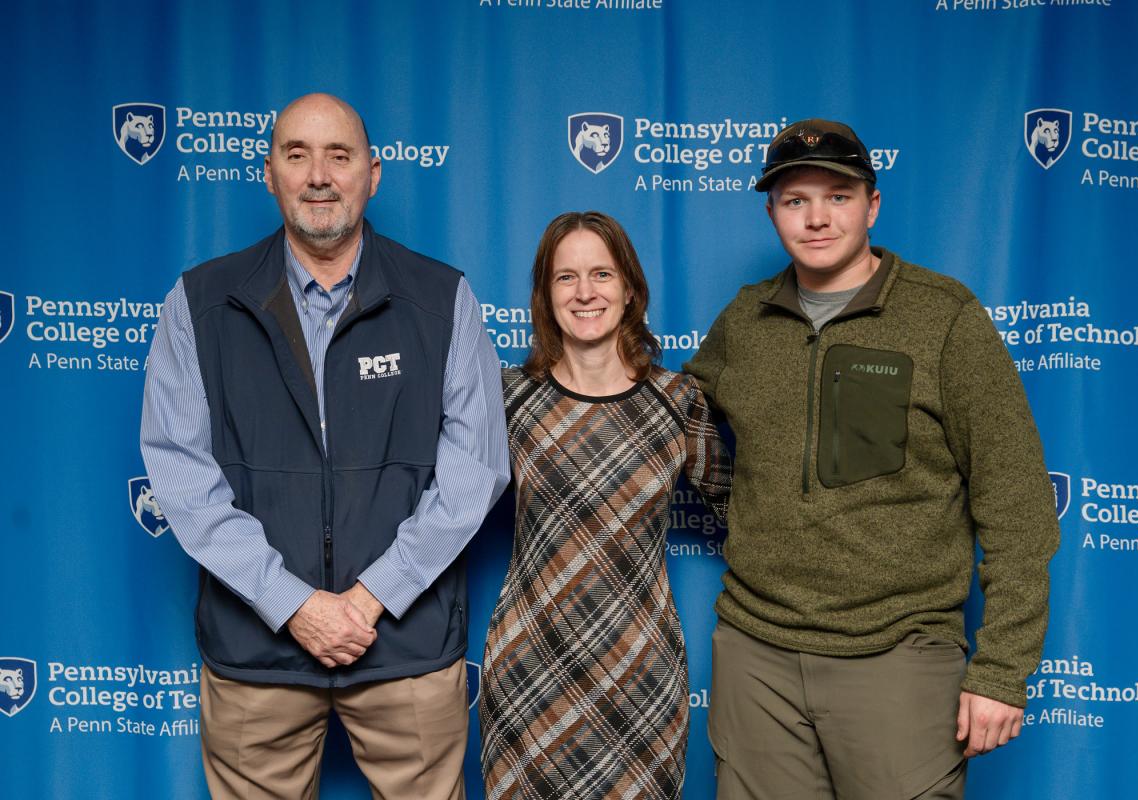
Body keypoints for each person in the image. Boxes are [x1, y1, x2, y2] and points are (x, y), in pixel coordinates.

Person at [140, 92, 509, 800]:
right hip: (258, 653)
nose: (318, 175)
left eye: (338, 156)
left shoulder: (442, 297)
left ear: (373, 173)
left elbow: (475, 469)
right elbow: (182, 473)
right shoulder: (200, 302)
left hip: (406, 647)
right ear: (268, 173)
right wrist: (294, 605)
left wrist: (369, 599)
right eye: (296, 155)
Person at [684, 119, 1060, 799]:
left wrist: (1003, 670)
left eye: (839, 195)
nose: (818, 218)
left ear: (873, 205)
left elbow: (1017, 504)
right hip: (756, 655)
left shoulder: (944, 318)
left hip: (899, 657)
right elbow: (671, 417)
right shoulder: (745, 319)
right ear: (772, 213)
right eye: (796, 200)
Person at [479, 211, 732, 800]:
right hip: (529, 671)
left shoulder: (678, 400)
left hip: (639, 672)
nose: (585, 292)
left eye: (602, 274)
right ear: (545, 294)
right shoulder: (508, 397)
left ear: (630, 289)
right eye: (566, 278)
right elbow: (441, 505)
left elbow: (747, 516)